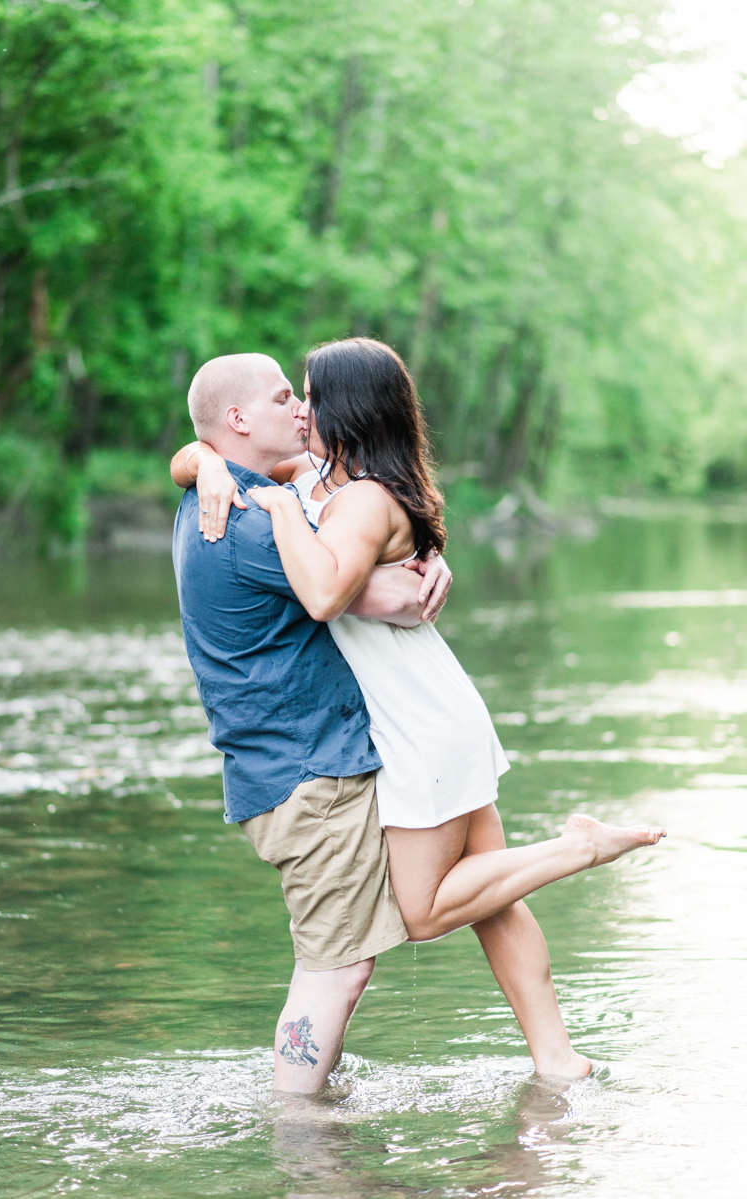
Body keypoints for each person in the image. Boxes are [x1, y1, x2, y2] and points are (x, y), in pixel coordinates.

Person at [173, 339, 666, 1082]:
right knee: (493, 896)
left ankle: (579, 847)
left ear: (348, 409)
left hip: (417, 724)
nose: (301, 408)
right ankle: (557, 1059)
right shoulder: (309, 481)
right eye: (287, 396)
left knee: (429, 909)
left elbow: (325, 591)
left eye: (307, 394)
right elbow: (212, 448)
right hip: (431, 711)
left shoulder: (338, 498)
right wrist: (205, 460)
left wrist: (274, 507)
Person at [171, 350, 453, 1096]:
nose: (299, 410)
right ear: (237, 420)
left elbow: (378, 569)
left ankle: (305, 1111)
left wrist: (199, 460)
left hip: (284, 770)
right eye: (280, 398)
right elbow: (386, 596)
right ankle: (301, 1138)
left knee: (334, 961)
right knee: (338, 968)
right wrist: (421, 568)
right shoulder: (249, 524)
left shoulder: (234, 495)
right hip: (308, 775)